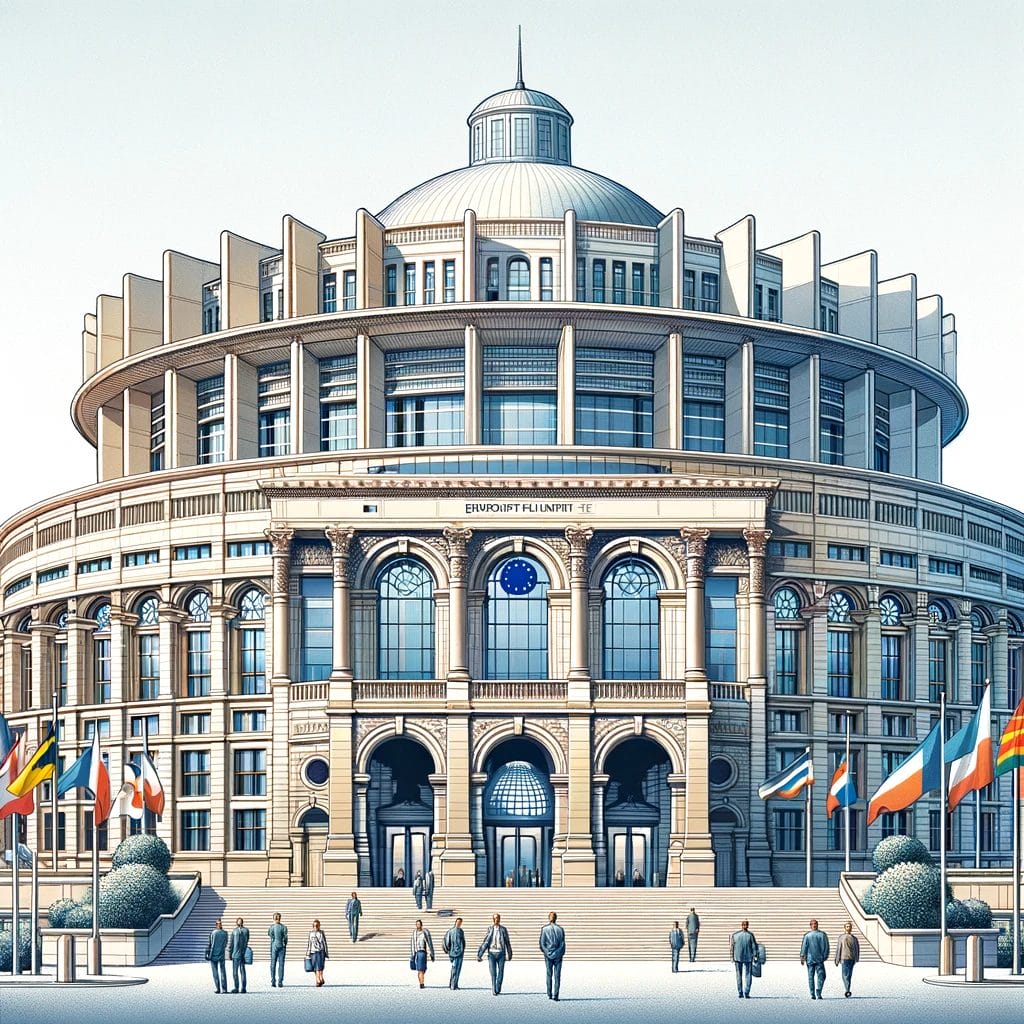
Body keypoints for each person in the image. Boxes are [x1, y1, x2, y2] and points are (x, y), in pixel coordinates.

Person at [477, 912, 513, 995]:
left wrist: (509, 954)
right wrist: (480, 954)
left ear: (499, 919)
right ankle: (494, 989)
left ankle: (498, 988)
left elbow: (507, 942)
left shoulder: (503, 929)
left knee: (500, 972)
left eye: (498, 918)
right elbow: (486, 942)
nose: (496, 920)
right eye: (495, 918)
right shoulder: (490, 929)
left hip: (501, 953)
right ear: (493, 920)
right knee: (493, 973)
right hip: (492, 953)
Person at [800, 919, 830, 1000]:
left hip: (814, 959)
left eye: (815, 924)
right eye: (813, 924)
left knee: (814, 976)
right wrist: (802, 956)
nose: (814, 925)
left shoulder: (810, 935)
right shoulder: (820, 935)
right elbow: (826, 947)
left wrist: (802, 956)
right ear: (810, 925)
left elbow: (804, 947)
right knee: (818, 976)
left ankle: (815, 992)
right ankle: (815, 992)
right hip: (815, 959)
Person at [539, 911, 566, 1001]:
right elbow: (562, 944)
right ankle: (555, 995)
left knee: (549, 974)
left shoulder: (544, 929)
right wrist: (557, 953)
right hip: (558, 955)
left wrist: (547, 952)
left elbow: (542, 944)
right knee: (557, 975)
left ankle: (550, 993)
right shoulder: (560, 929)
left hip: (549, 955)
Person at [730, 920, 759, 999]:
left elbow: (732, 947)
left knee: (738, 975)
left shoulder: (735, 935)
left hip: (737, 957)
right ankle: (746, 992)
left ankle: (740, 992)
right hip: (748, 957)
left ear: (741, 925)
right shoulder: (750, 935)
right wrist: (755, 955)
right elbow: (753, 946)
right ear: (747, 926)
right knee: (748, 975)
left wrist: (732, 957)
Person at [834, 921, 860, 998]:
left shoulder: (854, 938)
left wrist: (857, 958)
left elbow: (857, 949)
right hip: (844, 958)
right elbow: (839, 948)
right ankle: (847, 989)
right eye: (847, 926)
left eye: (850, 926)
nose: (849, 928)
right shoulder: (841, 937)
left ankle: (847, 989)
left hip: (851, 958)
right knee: (845, 974)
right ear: (845, 928)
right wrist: (837, 959)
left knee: (849, 975)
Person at [205, 917, 229, 994]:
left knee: (215, 972)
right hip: (221, 954)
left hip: (213, 955)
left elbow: (210, 944)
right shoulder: (225, 933)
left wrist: (208, 954)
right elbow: (225, 944)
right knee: (223, 972)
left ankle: (218, 988)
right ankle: (224, 989)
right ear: (221, 925)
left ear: (216, 925)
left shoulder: (213, 933)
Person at [410, 919, 435, 988]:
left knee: (422, 969)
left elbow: (429, 943)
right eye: (417, 924)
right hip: (417, 952)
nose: (418, 925)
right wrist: (412, 954)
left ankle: (421, 982)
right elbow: (412, 943)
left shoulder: (425, 932)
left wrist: (432, 953)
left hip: (423, 952)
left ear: (421, 925)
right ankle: (421, 983)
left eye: (419, 924)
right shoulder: (414, 933)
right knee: (420, 969)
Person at [442, 916, 466, 990]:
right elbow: (446, 941)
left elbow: (463, 942)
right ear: (455, 922)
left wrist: (462, 949)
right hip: (453, 953)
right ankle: (452, 985)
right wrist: (448, 950)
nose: (459, 924)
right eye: (458, 922)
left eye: (460, 923)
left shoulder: (461, 931)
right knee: (454, 969)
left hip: (460, 953)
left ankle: (455, 984)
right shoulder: (451, 931)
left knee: (458, 969)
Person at [228, 916, 250, 994]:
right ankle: (243, 988)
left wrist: (230, 953)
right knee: (242, 971)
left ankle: (236, 988)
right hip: (242, 954)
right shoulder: (246, 930)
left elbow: (231, 943)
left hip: (235, 954)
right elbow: (247, 941)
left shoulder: (234, 931)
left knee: (235, 972)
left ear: (236, 923)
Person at [306, 919, 329, 988]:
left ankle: (319, 979)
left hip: (320, 951)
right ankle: (318, 979)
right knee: (315, 967)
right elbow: (309, 943)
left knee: (320, 966)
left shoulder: (321, 933)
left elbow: (324, 943)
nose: (315, 927)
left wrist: (326, 952)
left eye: (317, 925)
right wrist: (308, 952)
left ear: (319, 926)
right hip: (313, 952)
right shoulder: (311, 933)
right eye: (314, 925)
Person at [268, 912, 288, 988]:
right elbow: (285, 937)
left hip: (275, 946)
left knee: (275, 964)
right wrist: (284, 943)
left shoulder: (272, 927)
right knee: (279, 964)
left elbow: (270, 935)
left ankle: (276, 981)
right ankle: (277, 981)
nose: (277, 918)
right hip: (279, 946)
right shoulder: (282, 927)